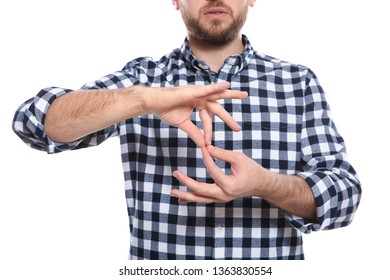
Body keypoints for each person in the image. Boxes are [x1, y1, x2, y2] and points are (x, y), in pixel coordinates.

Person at [12, 0, 361, 260]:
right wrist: (141, 100)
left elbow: (345, 196)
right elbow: (33, 123)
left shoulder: (296, 82)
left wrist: (264, 184)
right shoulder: (144, 81)